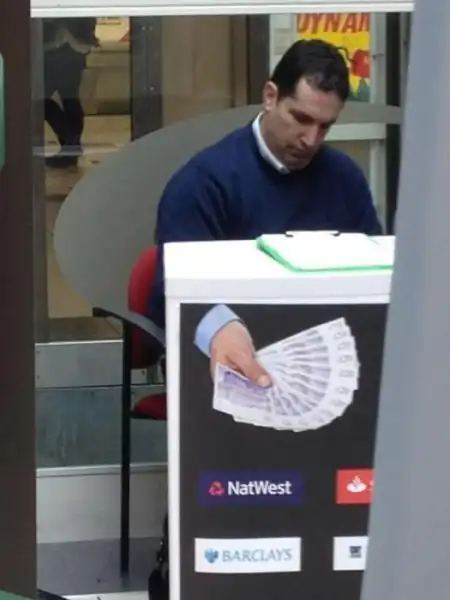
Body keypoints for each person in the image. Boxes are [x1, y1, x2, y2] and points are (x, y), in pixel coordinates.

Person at [147, 38, 382, 600]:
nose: (311, 140)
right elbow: (166, 287)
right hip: (225, 378)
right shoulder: (205, 180)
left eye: (325, 127)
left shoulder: (344, 179)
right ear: (270, 96)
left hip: (329, 376)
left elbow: (376, 269)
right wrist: (217, 326)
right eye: (301, 119)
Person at [43, 18, 98, 168]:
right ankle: (71, 147)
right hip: (74, 49)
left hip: (59, 50)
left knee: (41, 100)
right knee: (70, 99)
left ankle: (70, 142)